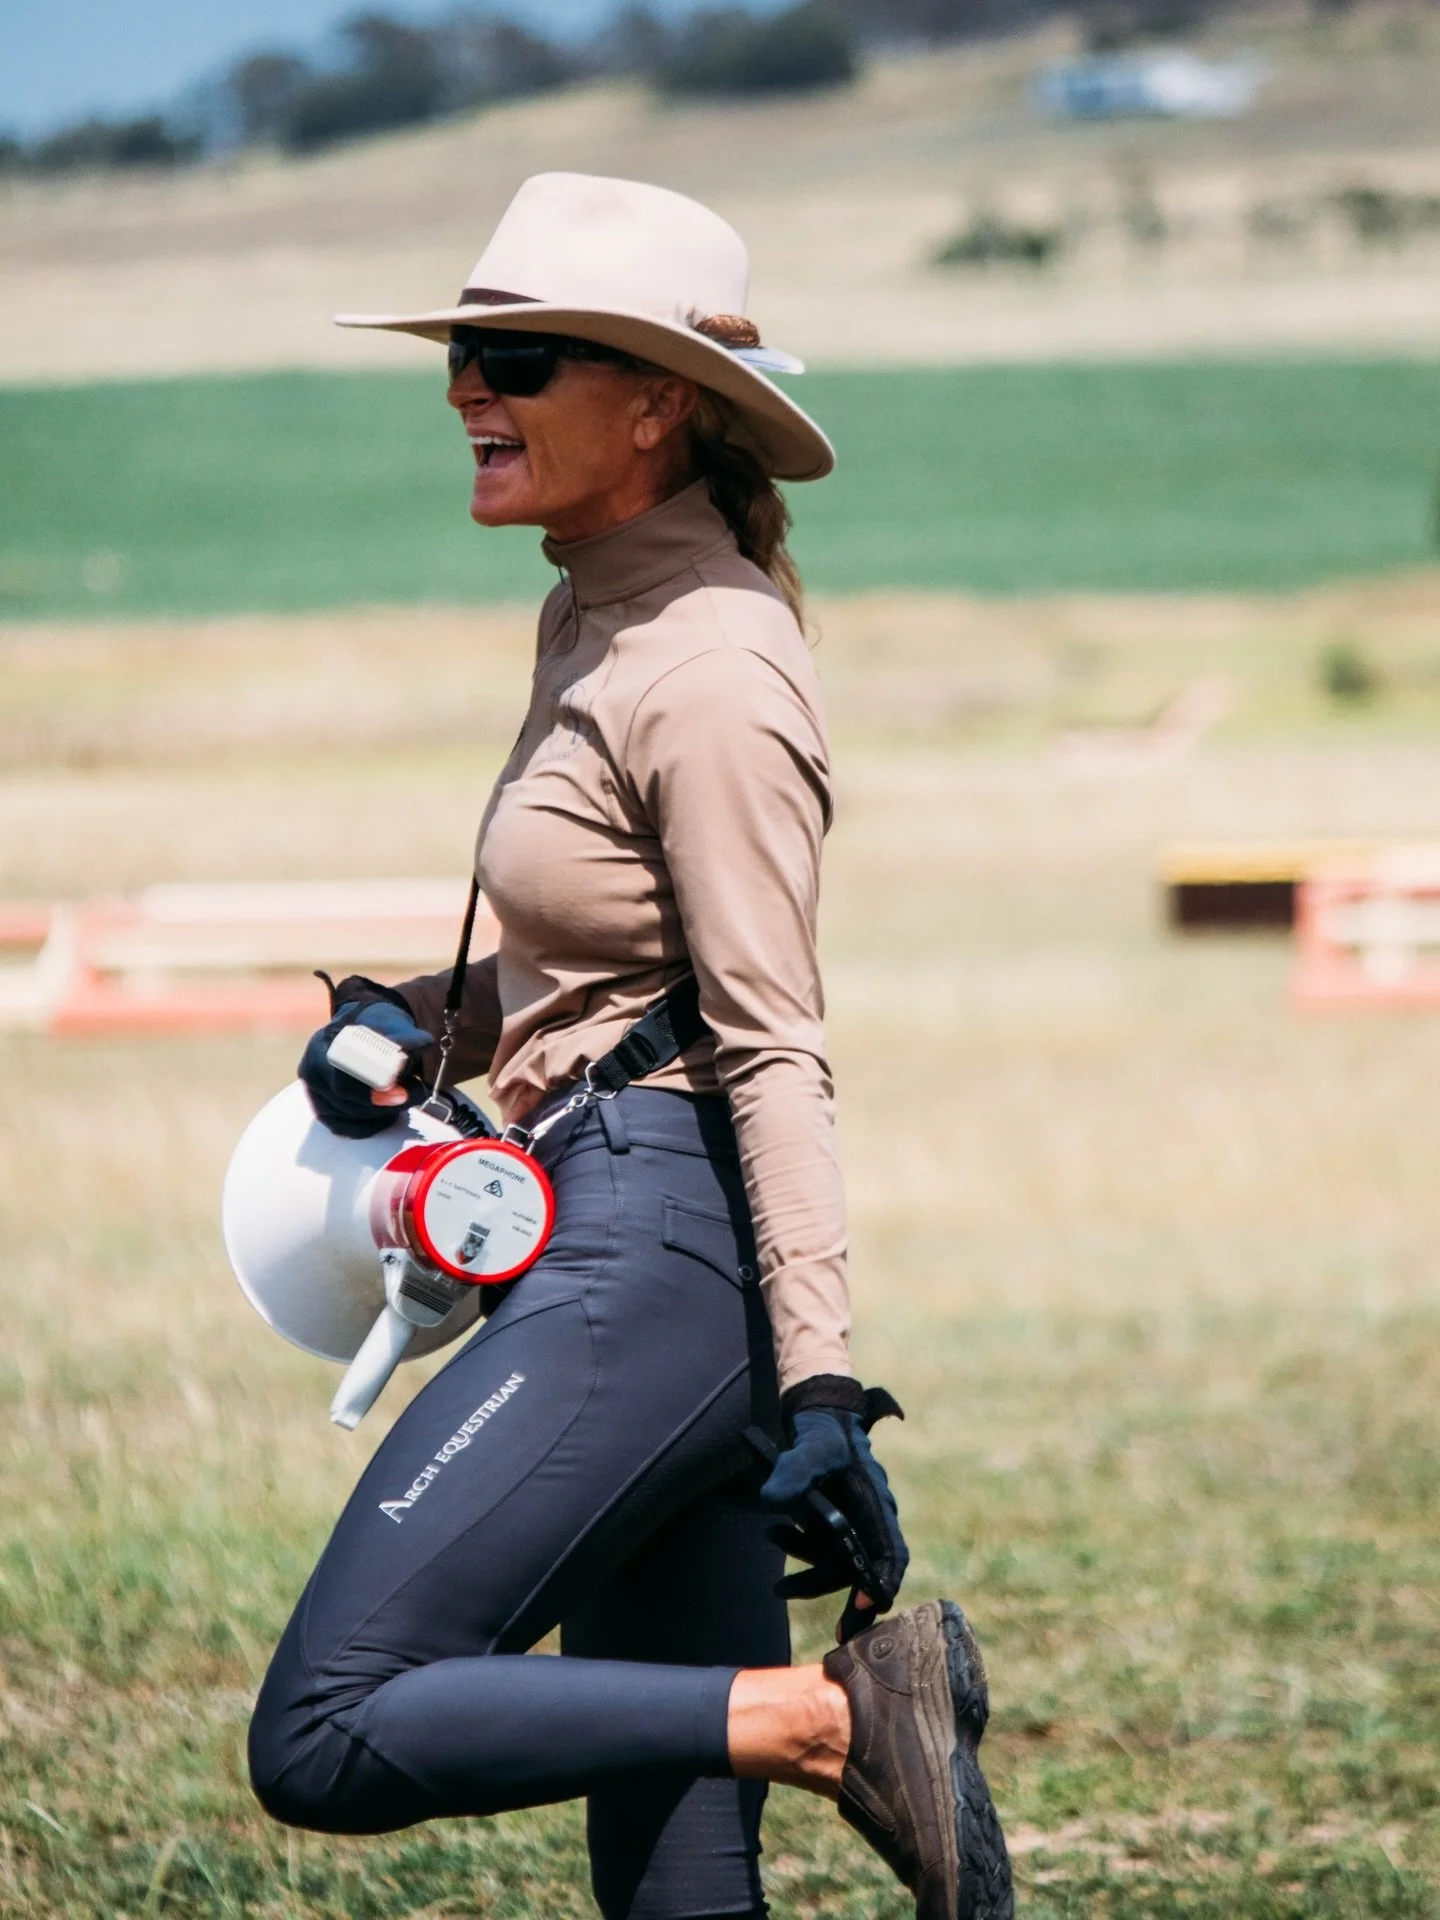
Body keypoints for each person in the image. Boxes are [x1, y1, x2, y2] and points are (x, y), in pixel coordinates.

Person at [247, 172, 1013, 1920]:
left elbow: (768, 1041)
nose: (465, 390)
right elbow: (609, 971)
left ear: (659, 401)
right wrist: (419, 1022)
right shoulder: (593, 606)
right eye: (460, 352)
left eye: (511, 358)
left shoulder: (714, 661)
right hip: (614, 1226)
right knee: (670, 1881)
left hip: (662, 1254)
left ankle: (828, 1723)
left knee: (327, 1725)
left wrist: (823, 1388)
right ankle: (789, 1724)